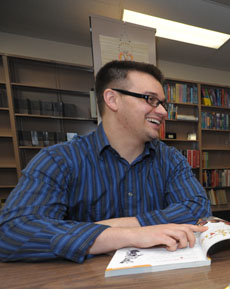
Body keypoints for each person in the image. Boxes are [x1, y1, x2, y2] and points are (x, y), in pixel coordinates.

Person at [0, 60, 211, 263]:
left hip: (161, 283)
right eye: (150, 99)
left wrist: (121, 225)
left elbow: (198, 211)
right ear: (112, 99)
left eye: (162, 103)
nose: (163, 112)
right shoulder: (58, 159)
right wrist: (127, 236)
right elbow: (12, 232)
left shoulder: (171, 159)